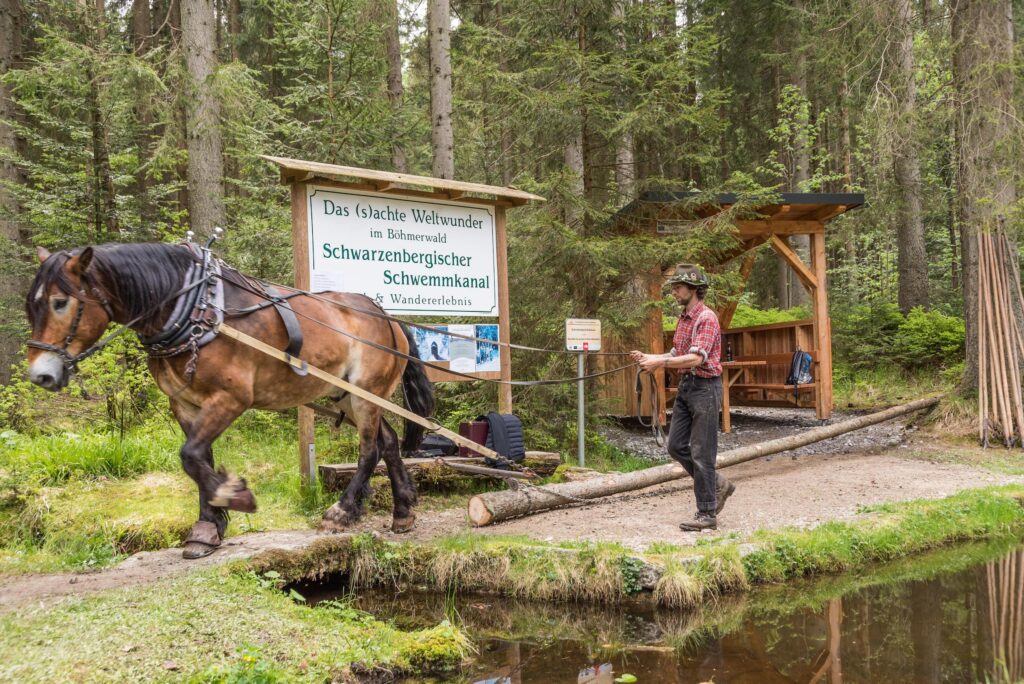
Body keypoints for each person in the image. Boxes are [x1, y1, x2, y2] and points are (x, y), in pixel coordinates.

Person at [630, 264, 735, 531]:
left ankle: (707, 513)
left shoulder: (707, 318)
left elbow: (697, 358)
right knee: (676, 447)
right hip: (687, 387)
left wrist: (659, 363)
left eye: (678, 288)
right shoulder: (684, 318)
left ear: (694, 289)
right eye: (674, 288)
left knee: (702, 452)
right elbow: (677, 352)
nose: (674, 292)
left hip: (706, 389)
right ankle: (718, 484)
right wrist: (650, 357)